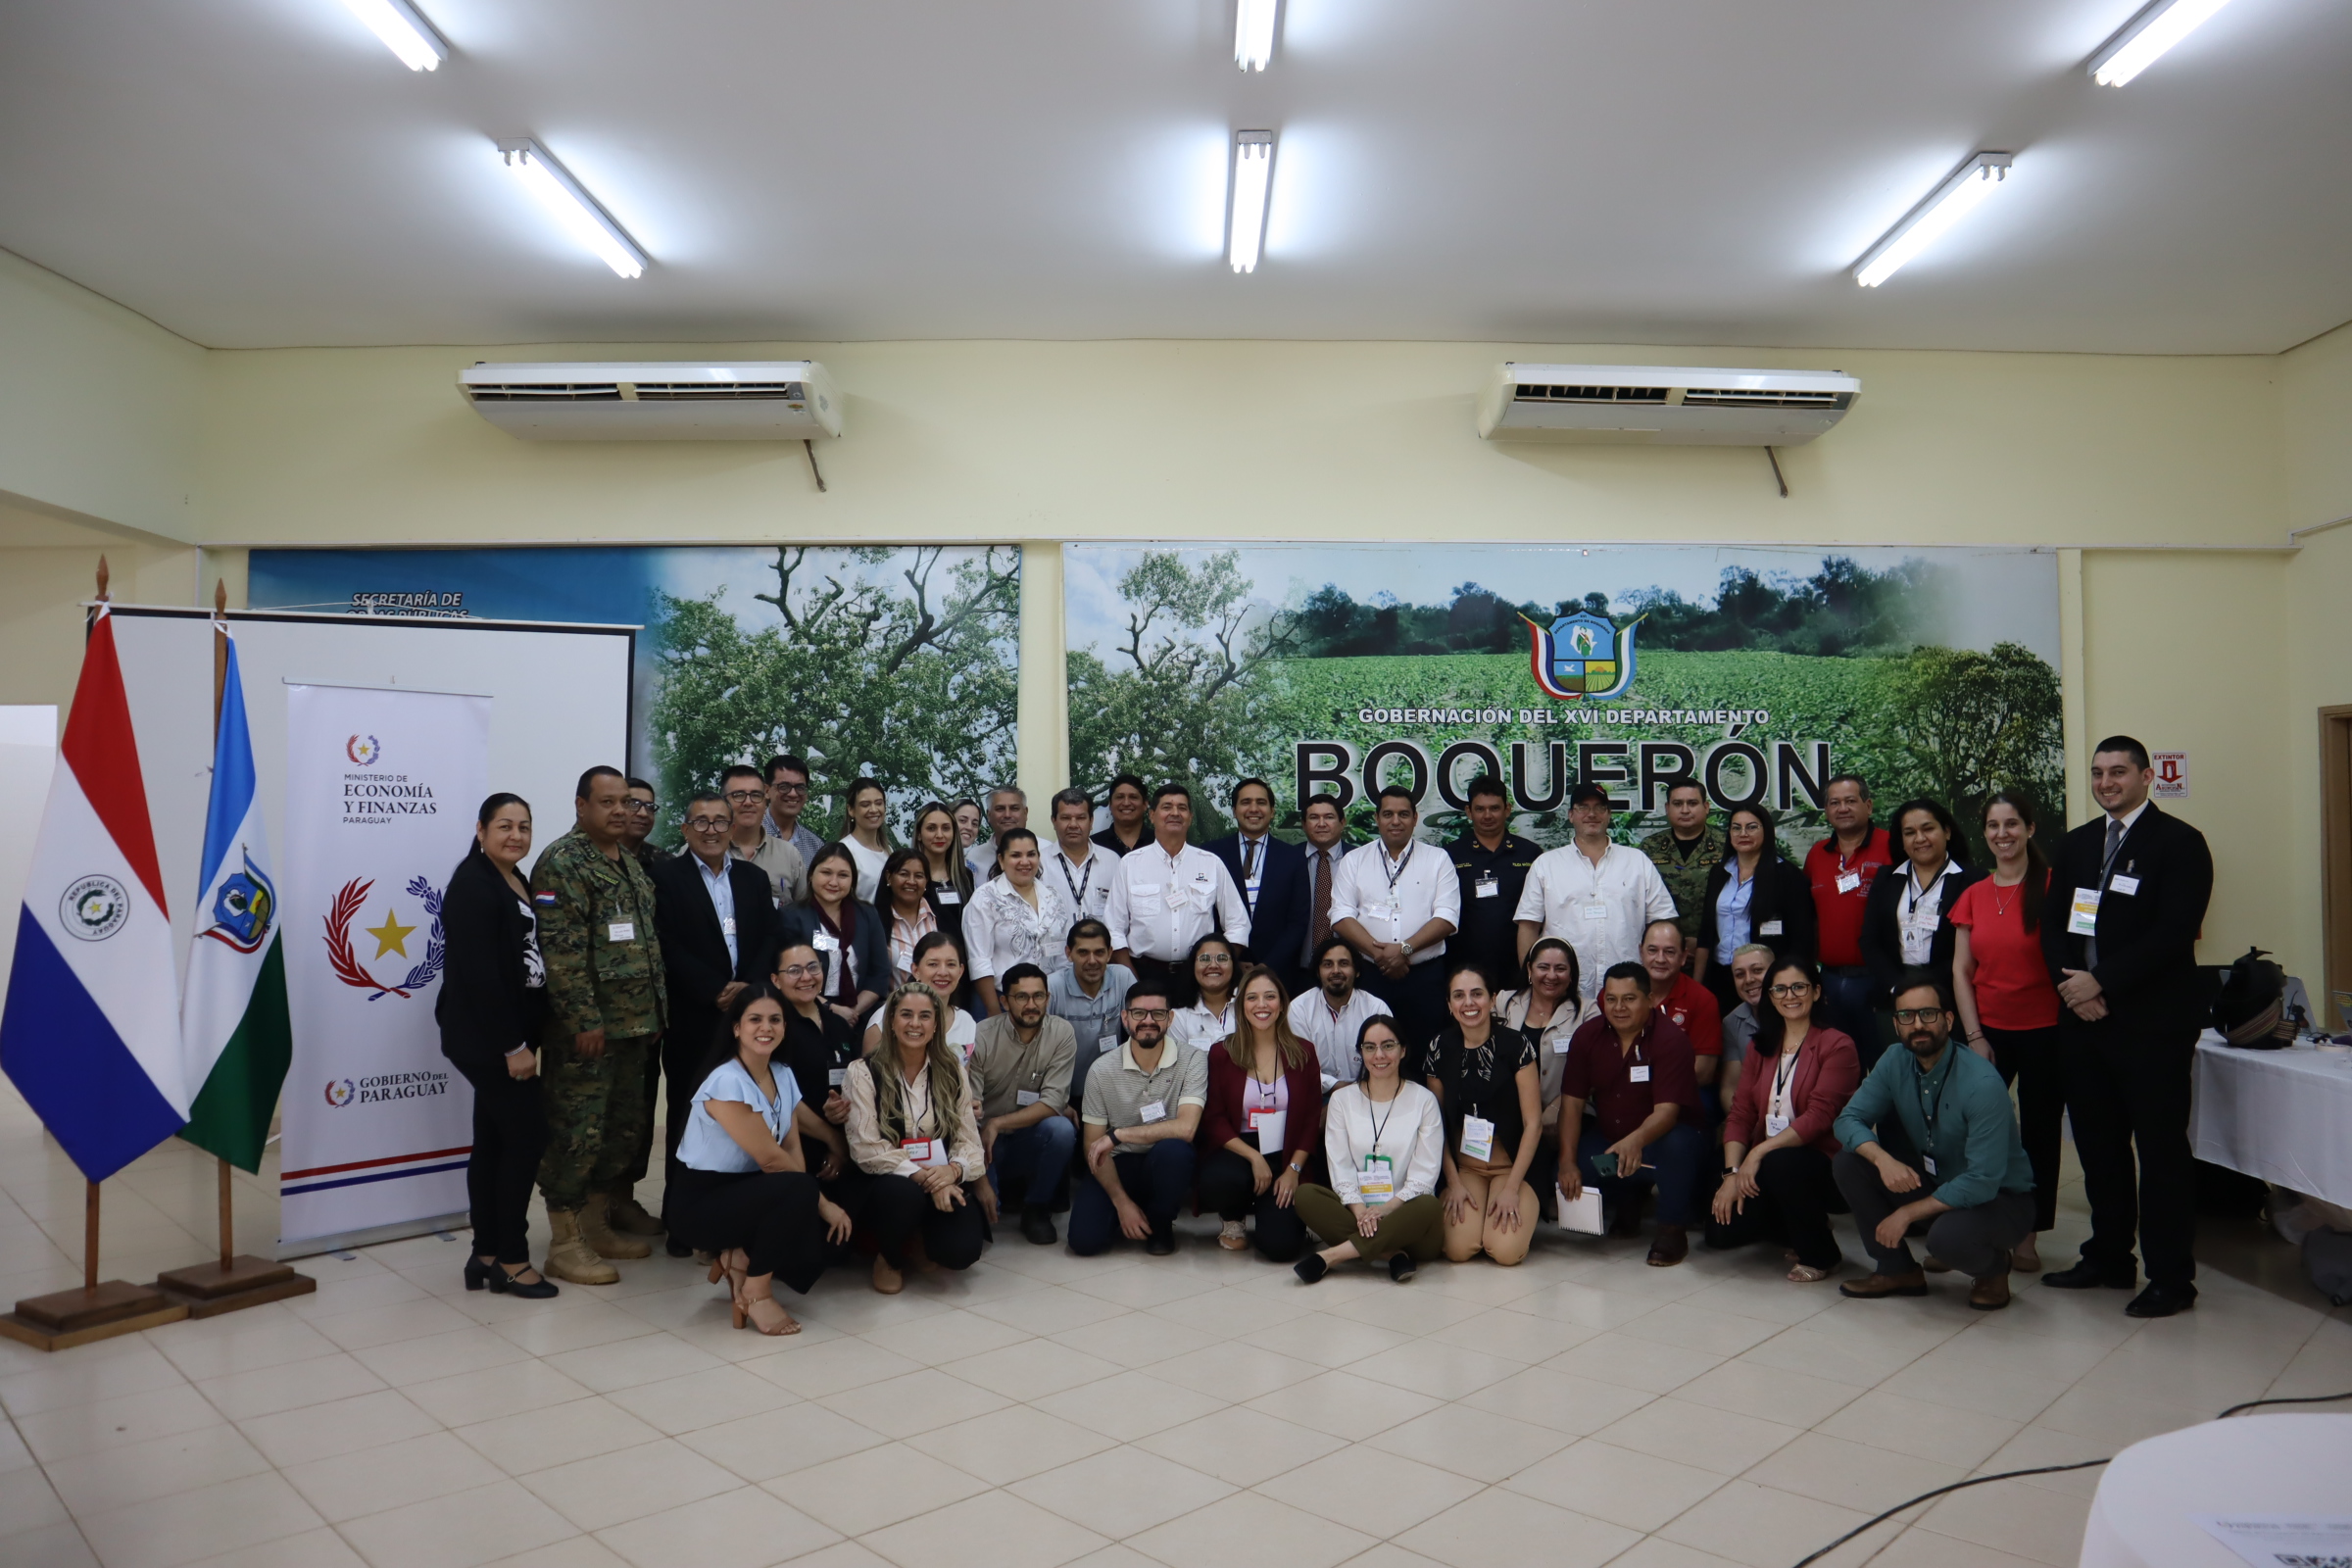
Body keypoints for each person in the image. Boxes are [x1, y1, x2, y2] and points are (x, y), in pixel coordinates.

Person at [2038, 737, 2213, 1317]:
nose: (2107, 782)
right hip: (2084, 1023)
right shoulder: (2079, 845)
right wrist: (2074, 988)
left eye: (2118, 772)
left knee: (2160, 1153)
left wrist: (2102, 983)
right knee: (2098, 1148)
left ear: (2145, 777)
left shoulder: (2180, 843)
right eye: (2098, 773)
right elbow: (2057, 926)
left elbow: (2172, 932)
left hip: (2151, 1025)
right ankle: (2110, 1257)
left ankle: (2171, 1279)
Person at [531, 766, 668, 1285]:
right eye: (607, 802)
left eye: (627, 803)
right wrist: (584, 1020)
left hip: (634, 1028)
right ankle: (564, 1243)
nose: (620, 811)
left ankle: (596, 1226)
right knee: (577, 1133)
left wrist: (653, 1014)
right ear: (580, 805)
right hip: (589, 1035)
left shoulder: (629, 863)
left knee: (619, 1130)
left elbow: (642, 947)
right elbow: (561, 954)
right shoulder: (564, 863)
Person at [1833, 970, 2036, 1309]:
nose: (1918, 1025)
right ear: (1896, 1024)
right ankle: (1897, 1270)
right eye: (1906, 1016)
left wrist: (1907, 1213)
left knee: (1945, 1240)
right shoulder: (1895, 1060)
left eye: (1928, 1014)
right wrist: (1883, 1160)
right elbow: (1848, 1119)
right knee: (1850, 1161)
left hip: (2002, 1201)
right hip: (1938, 1180)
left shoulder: (1982, 1083)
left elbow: (1982, 1181)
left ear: (1949, 1019)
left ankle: (1994, 1269)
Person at [669, 984, 853, 1334]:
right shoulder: (725, 1082)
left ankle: (738, 1256)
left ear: (785, 1027)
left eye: (775, 1020)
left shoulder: (781, 1072)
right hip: (699, 1204)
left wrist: (805, 1186)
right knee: (802, 1196)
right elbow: (772, 1161)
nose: (765, 1028)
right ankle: (755, 1291)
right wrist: (821, 1204)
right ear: (736, 1027)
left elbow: (792, 1139)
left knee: (804, 1205)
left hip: (746, 1191)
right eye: (755, 1019)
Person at [651, 791, 783, 1249]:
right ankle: (681, 1221)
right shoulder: (665, 878)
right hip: (694, 1015)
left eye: (719, 822)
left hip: (748, 1021)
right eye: (700, 822)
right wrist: (714, 990)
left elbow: (769, 935)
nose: (711, 830)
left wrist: (744, 988)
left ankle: (736, 1211)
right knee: (689, 1115)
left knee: (747, 1113)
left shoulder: (751, 877)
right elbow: (666, 944)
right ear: (685, 830)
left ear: (733, 828)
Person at [437, 792, 557, 1298]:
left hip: (509, 1036)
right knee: (526, 1139)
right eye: (505, 826)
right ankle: (511, 1258)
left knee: (493, 1141)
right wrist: (513, 1046)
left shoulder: (513, 878)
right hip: (488, 1039)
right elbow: (482, 977)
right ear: (481, 829)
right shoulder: (472, 886)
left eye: (524, 827)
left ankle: (484, 1252)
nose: (516, 836)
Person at [1949, 791, 2062, 1273]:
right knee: (1972, 1133)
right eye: (1993, 826)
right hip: (1987, 1032)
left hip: (2048, 1032)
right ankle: (1962, 1227)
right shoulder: (1974, 893)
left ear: (2030, 829)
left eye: (2012, 824)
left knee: (2039, 1136)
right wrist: (1975, 1036)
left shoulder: (2055, 887)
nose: (2002, 835)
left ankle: (2028, 1235)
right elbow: (1960, 970)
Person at [1706, 956, 1859, 1282]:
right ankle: (1790, 1227)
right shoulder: (1760, 1047)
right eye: (1779, 989)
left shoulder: (1837, 1045)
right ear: (1771, 996)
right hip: (1774, 1159)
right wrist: (1732, 1173)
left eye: (1799, 987)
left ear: (1816, 992)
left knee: (1781, 1163)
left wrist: (1758, 1152)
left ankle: (1822, 1255)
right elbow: (1741, 1113)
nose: (1789, 996)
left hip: (1827, 1162)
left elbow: (1819, 1117)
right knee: (1719, 1233)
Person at [1558, 962, 1709, 1265]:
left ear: (1650, 1000)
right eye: (1611, 999)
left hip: (1666, 1138)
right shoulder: (1588, 1036)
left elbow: (1667, 1113)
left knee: (1676, 1147)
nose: (1619, 1007)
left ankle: (1671, 1229)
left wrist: (1634, 1141)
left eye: (1629, 998)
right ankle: (1629, 1197)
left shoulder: (1671, 1040)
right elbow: (1572, 1103)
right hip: (1612, 1135)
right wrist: (1566, 1162)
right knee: (1579, 1171)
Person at [843, 981, 988, 1292]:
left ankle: (921, 1238)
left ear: (936, 1025)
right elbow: (867, 1149)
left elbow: (969, 1140)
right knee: (902, 1194)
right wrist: (925, 1177)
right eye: (906, 1015)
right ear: (891, 1022)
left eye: (925, 1016)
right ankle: (890, 1257)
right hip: (884, 1182)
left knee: (961, 1252)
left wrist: (953, 1170)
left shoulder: (953, 1071)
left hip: (940, 1172)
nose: (915, 1024)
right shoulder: (863, 1071)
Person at [1295, 1016, 1447, 1283]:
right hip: (1359, 1217)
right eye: (1369, 1047)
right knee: (1306, 1195)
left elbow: (1424, 1176)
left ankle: (1332, 1256)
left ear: (1403, 1050)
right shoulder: (1342, 1100)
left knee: (1428, 1205)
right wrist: (1360, 1211)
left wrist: (1384, 1210)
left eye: (1388, 1046)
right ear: (1360, 1053)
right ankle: (1393, 1255)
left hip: (1409, 1223)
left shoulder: (1424, 1100)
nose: (1379, 1055)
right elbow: (1340, 1168)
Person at [1072, 978, 1208, 1255]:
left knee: (1176, 1151)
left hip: (1163, 1160)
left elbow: (1186, 1129)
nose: (1148, 1021)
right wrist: (1121, 1202)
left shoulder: (1193, 1060)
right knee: (1084, 1243)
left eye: (1158, 1013)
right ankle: (1129, 1209)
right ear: (1125, 1018)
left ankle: (1160, 1222)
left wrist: (1119, 1134)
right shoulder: (1101, 1069)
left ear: (1170, 1018)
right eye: (1138, 1014)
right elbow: (1093, 1146)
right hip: (1118, 1162)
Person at [1331, 786, 1461, 1071]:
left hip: (1425, 978)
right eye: (1388, 814)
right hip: (1371, 976)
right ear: (1377, 818)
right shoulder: (1354, 860)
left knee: (1427, 1056)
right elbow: (1340, 916)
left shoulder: (1437, 859)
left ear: (1415, 818)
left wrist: (1404, 950)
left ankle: (1426, 1114)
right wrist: (1381, 955)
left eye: (1403, 814)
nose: (1395, 821)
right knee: (1372, 1052)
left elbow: (1448, 917)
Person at [1196, 966, 1319, 1260]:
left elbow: (1312, 1119)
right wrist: (1254, 1158)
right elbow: (1213, 1119)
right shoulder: (1221, 1053)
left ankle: (1285, 1215)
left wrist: (1293, 1171)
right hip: (1238, 1151)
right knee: (1221, 1178)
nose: (1261, 1005)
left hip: (1285, 1152)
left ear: (1282, 1004)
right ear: (1241, 1006)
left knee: (1282, 1248)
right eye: (1252, 998)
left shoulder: (1304, 1052)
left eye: (1269, 997)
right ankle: (1233, 1217)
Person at [1515, 782, 1677, 1003]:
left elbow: (1663, 922)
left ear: (1609, 815)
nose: (1591, 814)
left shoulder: (1637, 861)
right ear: (1571, 815)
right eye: (1583, 807)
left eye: (1599, 807)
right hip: (1563, 988)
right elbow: (1528, 926)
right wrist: (1530, 980)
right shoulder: (1546, 865)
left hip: (1626, 988)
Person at [1427, 961, 1542, 1265]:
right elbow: (1435, 1124)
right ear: (1449, 1004)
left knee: (1504, 1252)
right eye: (1459, 996)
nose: (1468, 1003)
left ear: (1492, 999)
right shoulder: (1439, 1047)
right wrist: (1453, 1183)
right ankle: (1478, 1220)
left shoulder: (1517, 1046)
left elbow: (1533, 1125)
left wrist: (1513, 1188)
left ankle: (1521, 1204)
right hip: (1466, 1170)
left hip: (1510, 1169)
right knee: (1457, 1251)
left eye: (1477, 994)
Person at [968, 963, 1077, 1245]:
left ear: (1048, 999)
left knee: (1062, 1129)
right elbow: (970, 1105)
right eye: (1021, 997)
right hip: (983, 1143)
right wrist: (987, 1128)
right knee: (979, 1228)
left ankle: (1036, 1208)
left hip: (1026, 1137)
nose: (1032, 1005)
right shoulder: (981, 1034)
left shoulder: (1061, 1033)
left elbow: (1053, 1101)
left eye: (1038, 996)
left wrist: (999, 1123)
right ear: (1004, 1001)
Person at [1861, 799, 1983, 1053]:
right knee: (1901, 1075)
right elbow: (1870, 941)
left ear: (1947, 832)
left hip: (1950, 993)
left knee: (1948, 1075)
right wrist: (1897, 988)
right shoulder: (1886, 878)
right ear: (1901, 840)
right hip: (1894, 993)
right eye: (1910, 832)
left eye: (1928, 829)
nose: (1920, 838)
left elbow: (1977, 947)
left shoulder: (1973, 880)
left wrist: (1928, 989)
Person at [1104, 782, 1250, 986]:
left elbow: (1238, 924)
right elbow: (1113, 929)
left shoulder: (1210, 863)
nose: (1175, 813)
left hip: (1199, 975)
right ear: (1152, 815)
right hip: (1145, 973)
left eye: (1182, 808)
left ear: (1190, 817)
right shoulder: (1130, 864)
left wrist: (1218, 964)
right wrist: (1131, 979)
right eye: (1167, 807)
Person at [1805, 773, 1895, 1064]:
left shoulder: (1893, 847)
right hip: (1830, 982)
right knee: (1839, 1067)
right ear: (1827, 811)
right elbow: (1808, 916)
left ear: (1868, 806)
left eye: (1850, 801)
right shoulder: (1817, 854)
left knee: (1886, 1066)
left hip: (1879, 981)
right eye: (1834, 803)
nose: (1842, 808)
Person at [1494, 937, 1589, 1213]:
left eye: (1560, 969)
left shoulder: (1587, 1011)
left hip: (1566, 1110)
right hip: (1511, 1111)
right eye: (1543, 967)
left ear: (1571, 974)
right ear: (1529, 970)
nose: (1551, 976)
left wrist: (1559, 1106)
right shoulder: (1503, 1002)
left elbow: (1593, 1072)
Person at [1694, 804, 1817, 1014]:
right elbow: (1706, 932)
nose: (1743, 834)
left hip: (1766, 979)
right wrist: (1697, 986)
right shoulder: (1719, 872)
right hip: (1721, 976)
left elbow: (1801, 940)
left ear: (1766, 831)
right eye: (1736, 828)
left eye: (1751, 827)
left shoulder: (1786, 875)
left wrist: (1792, 984)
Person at [770, 941, 859, 1195]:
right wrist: (834, 1141)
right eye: (794, 971)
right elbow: (779, 1099)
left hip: (848, 1145)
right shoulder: (774, 1029)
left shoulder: (838, 1025)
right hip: (794, 1147)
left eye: (813, 967)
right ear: (776, 980)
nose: (806, 977)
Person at [1446, 774, 1541, 996]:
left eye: (1494, 808)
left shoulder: (1530, 853)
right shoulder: (1450, 855)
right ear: (1469, 811)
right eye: (1480, 809)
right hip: (1465, 967)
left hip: (1517, 966)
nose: (1487, 815)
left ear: (1507, 809)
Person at [1206, 777, 1307, 979]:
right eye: (1246, 802)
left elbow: (1297, 923)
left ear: (1272, 811)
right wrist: (1231, 959)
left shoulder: (1293, 857)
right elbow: (1205, 914)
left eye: (1261, 803)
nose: (1254, 809)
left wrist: (1267, 965)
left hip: (1278, 971)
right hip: (1221, 969)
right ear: (1234, 810)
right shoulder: (1211, 854)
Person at [964, 827, 1074, 1013]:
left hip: (1049, 1001)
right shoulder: (985, 898)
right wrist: (994, 1012)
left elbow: (1063, 958)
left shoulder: (1053, 896)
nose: (1025, 862)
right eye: (1016, 855)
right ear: (1001, 860)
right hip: (1003, 1002)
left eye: (1031, 854)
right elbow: (979, 961)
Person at [781, 842, 888, 1027]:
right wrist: (833, 1009)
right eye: (826, 873)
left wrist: (853, 1012)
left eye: (843, 875)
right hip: (807, 1014)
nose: (833, 882)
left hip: (861, 1016)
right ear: (811, 874)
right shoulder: (791, 916)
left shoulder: (868, 914)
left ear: (852, 880)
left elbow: (879, 974)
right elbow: (789, 976)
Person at [1287, 936, 1394, 1093]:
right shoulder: (1299, 1008)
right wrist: (1337, 1088)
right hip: (1315, 1094)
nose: (1336, 971)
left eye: (1343, 964)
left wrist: (1356, 1092)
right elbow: (1299, 1065)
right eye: (1328, 964)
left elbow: (1388, 1058)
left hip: (1369, 1092)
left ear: (1357, 971)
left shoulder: (1375, 1008)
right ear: (1318, 972)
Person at [1051, 918, 1134, 1108]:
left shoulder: (1123, 977)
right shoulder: (1052, 987)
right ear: (1068, 954)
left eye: (1099, 952)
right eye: (1083, 953)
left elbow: (1139, 1030)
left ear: (1110, 953)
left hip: (1111, 1092)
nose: (1092, 961)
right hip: (1064, 1094)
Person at [865, 931, 981, 1060]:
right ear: (915, 970)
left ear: (961, 971)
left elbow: (964, 1077)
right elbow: (869, 1077)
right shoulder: (883, 1019)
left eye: (951, 964)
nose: (943, 972)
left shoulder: (967, 1022)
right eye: (933, 964)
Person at [1642, 919, 1723, 1089]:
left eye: (1670, 952)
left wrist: (1648, 1085)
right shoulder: (1618, 993)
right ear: (1640, 952)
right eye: (1652, 950)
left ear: (1683, 957)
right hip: (1629, 1090)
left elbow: (1704, 1072)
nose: (1660, 959)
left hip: (1683, 1091)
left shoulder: (1702, 999)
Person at [1642, 780, 1728, 941]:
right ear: (1667, 808)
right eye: (1678, 804)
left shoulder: (1726, 845)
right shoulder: (1650, 847)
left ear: (1706, 807)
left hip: (1717, 944)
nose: (1685, 810)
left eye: (1692, 803)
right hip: (1664, 948)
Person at [723, 764, 808, 908]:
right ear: (723, 802)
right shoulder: (700, 853)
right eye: (739, 795)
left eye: (756, 795)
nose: (748, 802)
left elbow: (806, 914)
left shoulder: (789, 855)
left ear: (765, 800)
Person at [1296, 792, 1350, 986]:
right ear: (1304, 824)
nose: (1321, 823)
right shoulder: (1287, 860)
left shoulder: (1361, 860)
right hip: (1297, 970)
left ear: (1342, 822)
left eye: (1328, 817)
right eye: (1313, 817)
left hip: (1348, 971)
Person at [909, 801, 974, 960]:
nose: (939, 835)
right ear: (919, 834)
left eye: (946, 828)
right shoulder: (908, 878)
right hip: (919, 965)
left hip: (958, 966)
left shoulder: (965, 876)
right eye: (931, 828)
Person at [1715, 942, 1778, 1107]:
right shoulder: (1731, 1022)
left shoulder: (1795, 1012)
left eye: (1757, 970)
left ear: (1776, 972)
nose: (1749, 980)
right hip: (1752, 1117)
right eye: (1740, 974)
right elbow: (1730, 1088)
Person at [1046, 787, 1116, 925]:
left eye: (1081, 818)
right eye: (1065, 818)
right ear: (1054, 821)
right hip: (1053, 946)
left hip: (1102, 945)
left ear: (1091, 821)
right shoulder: (1039, 863)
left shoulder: (1113, 860)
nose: (1073, 825)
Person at [1169, 933, 1240, 1052]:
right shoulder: (1178, 1016)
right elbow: (1182, 1066)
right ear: (1193, 966)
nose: (1213, 965)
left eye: (1222, 958)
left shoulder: (1249, 1004)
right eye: (1204, 959)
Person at [880, 847, 939, 980]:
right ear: (889, 877)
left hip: (936, 1000)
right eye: (904, 874)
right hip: (894, 999)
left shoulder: (939, 916)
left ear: (926, 881)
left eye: (918, 876)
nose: (911, 881)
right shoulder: (875, 920)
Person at [764, 754, 827, 868]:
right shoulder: (750, 834)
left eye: (800, 788)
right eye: (784, 787)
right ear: (767, 791)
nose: (793, 794)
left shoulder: (815, 846)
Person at [840, 777, 895, 903]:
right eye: (865, 805)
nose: (874, 810)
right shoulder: (845, 851)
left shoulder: (888, 851)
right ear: (851, 810)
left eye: (879, 803)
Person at [964, 784, 1027, 880]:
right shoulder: (974, 857)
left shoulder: (1044, 852)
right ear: (989, 815)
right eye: (1000, 809)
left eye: (1014, 808)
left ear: (1025, 813)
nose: (1007, 815)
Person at [1092, 772, 1150, 858]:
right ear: (1110, 804)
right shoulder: (1093, 845)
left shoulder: (1159, 842)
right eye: (1120, 797)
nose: (1126, 803)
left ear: (1145, 804)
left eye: (1133, 797)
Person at [620, 777, 662, 871]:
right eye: (633, 804)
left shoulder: (664, 863)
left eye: (649, 807)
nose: (643, 814)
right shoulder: (594, 857)